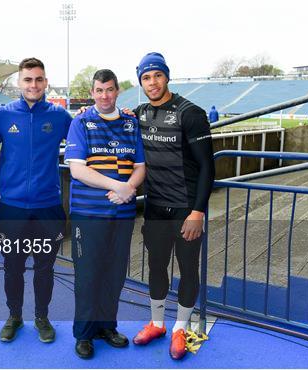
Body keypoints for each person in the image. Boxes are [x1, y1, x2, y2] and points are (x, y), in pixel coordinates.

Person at [131, 52, 214, 360]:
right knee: (155, 267)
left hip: (185, 209)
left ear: (167, 77)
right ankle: (156, 323)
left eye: (157, 76)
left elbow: (208, 166)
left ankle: (179, 327)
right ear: (140, 81)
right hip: (155, 208)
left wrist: (197, 212)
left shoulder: (189, 113)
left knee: (188, 269)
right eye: (146, 77)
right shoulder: (138, 113)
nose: (152, 82)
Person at [64, 69, 145, 359]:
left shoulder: (130, 124)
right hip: (88, 214)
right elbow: (78, 169)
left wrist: (130, 188)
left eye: (109, 90)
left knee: (114, 274)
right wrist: (119, 187)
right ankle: (84, 334)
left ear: (117, 91)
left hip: (121, 216)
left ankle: (106, 326)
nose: (104, 96)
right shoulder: (81, 121)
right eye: (99, 90)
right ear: (92, 92)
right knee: (87, 275)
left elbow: (139, 165)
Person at [0, 57, 72, 343]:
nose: (33, 84)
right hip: (12, 207)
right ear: (18, 82)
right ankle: (14, 316)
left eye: (39, 79)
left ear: (46, 82)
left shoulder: (60, 117)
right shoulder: (1, 116)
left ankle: (42, 316)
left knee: (44, 268)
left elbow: (87, 137)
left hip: (48, 207)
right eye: (28, 79)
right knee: (12, 268)